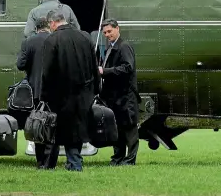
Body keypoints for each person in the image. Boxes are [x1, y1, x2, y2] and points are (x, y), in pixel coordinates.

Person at [40, 9, 101, 171]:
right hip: (84, 93)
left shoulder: (52, 40)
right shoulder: (85, 37)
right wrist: (96, 88)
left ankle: (73, 163)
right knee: (78, 128)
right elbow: (94, 66)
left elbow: (47, 71)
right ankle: (73, 161)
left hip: (61, 94)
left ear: (52, 23)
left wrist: (44, 95)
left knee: (62, 129)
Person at [98, 18, 139, 166]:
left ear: (117, 29)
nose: (107, 35)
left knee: (130, 128)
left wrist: (105, 71)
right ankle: (118, 157)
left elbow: (128, 67)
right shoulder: (111, 47)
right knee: (118, 129)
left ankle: (129, 160)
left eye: (109, 31)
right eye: (105, 33)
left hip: (125, 95)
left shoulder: (124, 46)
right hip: (115, 96)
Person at [16, 17, 54, 169]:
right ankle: (51, 162)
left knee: (38, 125)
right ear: (49, 26)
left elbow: (20, 65)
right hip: (55, 91)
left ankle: (40, 161)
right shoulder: (56, 39)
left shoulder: (29, 42)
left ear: (36, 28)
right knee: (53, 125)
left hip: (35, 91)